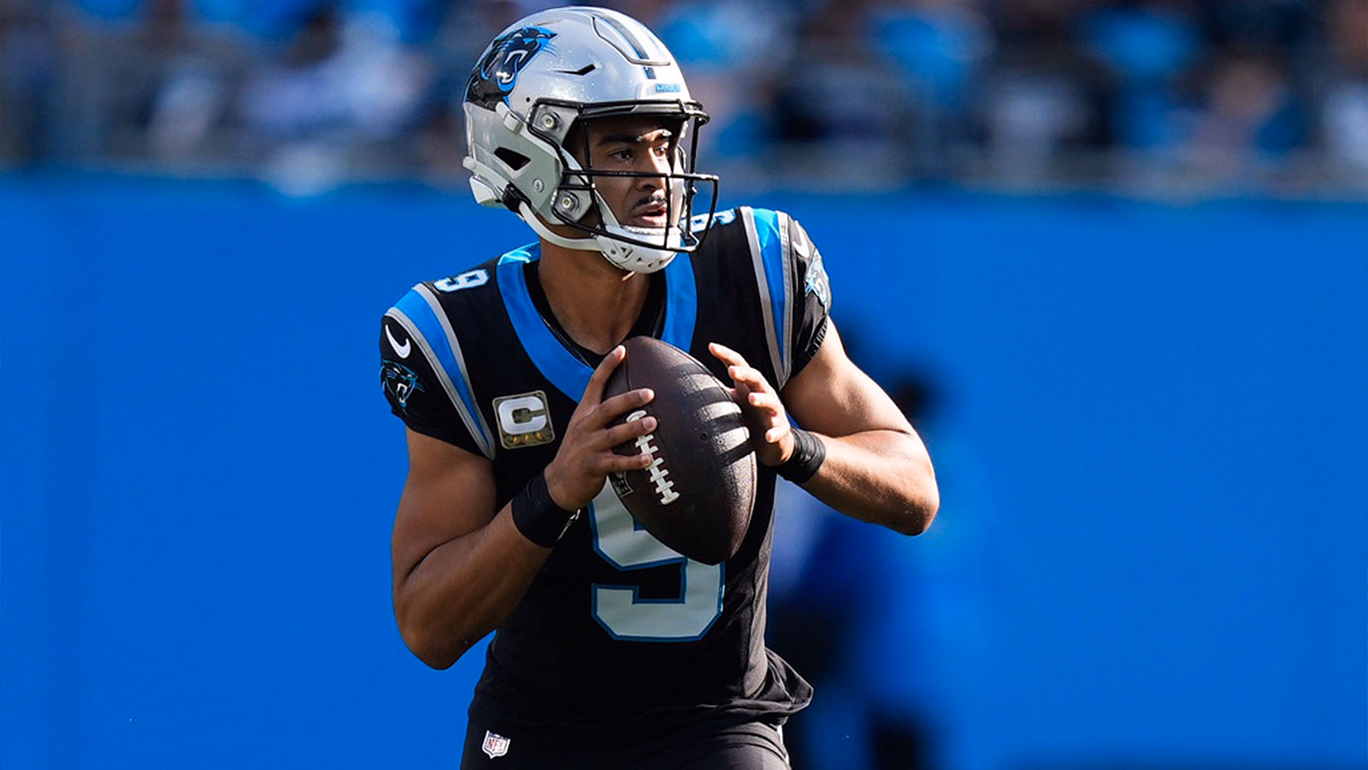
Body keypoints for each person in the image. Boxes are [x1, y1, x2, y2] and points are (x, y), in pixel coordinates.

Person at [378, 7, 939, 768]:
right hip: (540, 734)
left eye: (666, 140)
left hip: (717, 722)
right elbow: (427, 628)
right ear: (526, 159)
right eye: (621, 146)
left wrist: (797, 447)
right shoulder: (458, 335)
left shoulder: (755, 272)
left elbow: (915, 489)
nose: (661, 173)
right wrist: (554, 492)